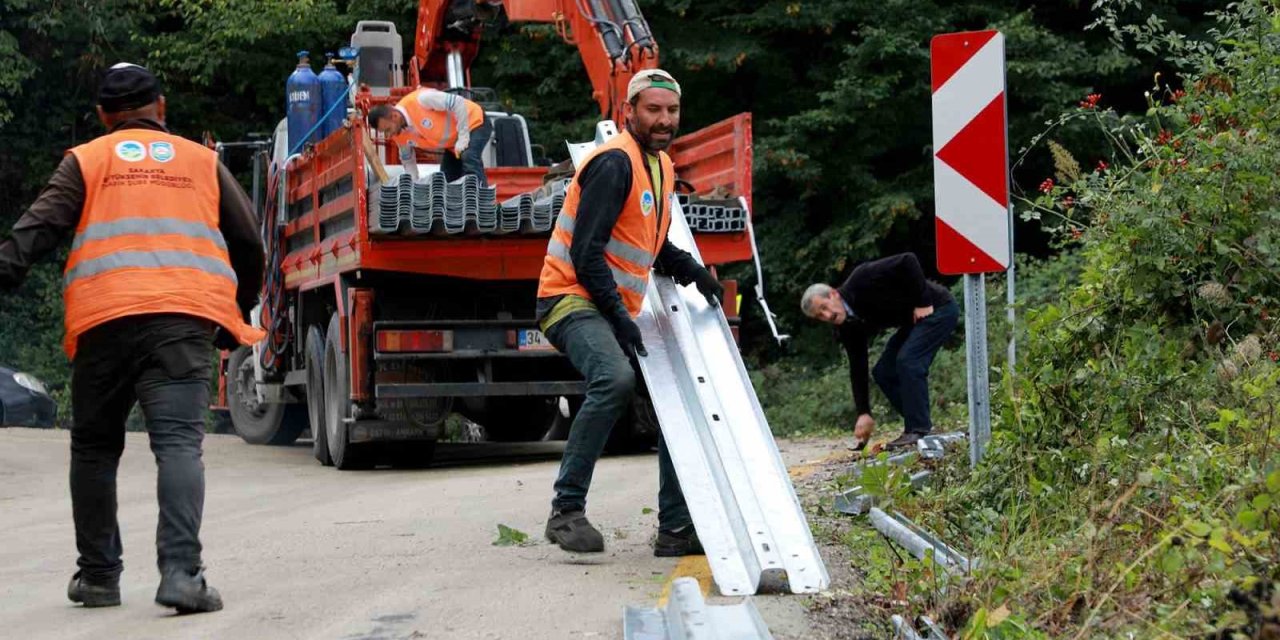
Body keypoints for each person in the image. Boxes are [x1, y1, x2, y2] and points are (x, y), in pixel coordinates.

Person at [0, 63, 266, 613]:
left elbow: (35, 231)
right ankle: (181, 576)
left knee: (95, 448)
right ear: (161, 107)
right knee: (177, 447)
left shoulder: (87, 160)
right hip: (183, 322)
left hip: (105, 320)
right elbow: (250, 243)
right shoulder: (200, 160)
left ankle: (98, 578)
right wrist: (231, 312)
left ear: (102, 116)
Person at [535, 69, 723, 556]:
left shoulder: (659, 165)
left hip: (609, 306)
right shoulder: (614, 163)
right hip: (568, 298)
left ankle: (676, 531)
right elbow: (586, 253)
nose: (664, 120)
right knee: (614, 379)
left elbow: (651, 244)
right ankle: (566, 511)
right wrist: (620, 318)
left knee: (676, 404)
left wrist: (693, 272)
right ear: (630, 112)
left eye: (672, 111)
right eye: (653, 110)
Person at [801, 253, 958, 451]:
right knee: (884, 371)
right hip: (914, 321)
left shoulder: (862, 279)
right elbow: (858, 366)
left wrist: (923, 302)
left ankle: (918, 429)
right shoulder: (847, 326)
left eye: (824, 307)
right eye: (820, 316)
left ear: (833, 294)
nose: (827, 315)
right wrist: (863, 412)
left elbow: (908, 260)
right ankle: (918, 425)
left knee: (908, 360)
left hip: (937, 308)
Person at [366, 87, 492, 187]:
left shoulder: (421, 100)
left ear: (394, 116)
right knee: (447, 179)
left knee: (469, 157)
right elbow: (408, 160)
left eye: (388, 130)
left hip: (474, 122)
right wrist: (413, 185)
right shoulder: (399, 135)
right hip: (454, 143)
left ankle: (484, 206)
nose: (389, 135)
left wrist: (464, 136)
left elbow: (458, 102)